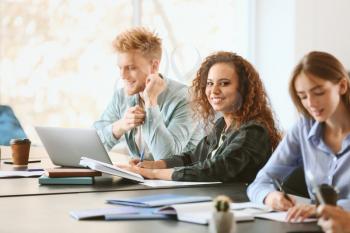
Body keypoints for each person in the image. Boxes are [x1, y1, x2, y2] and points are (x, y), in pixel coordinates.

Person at [122, 51, 281, 182]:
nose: (214, 91)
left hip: (236, 210)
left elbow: (213, 170)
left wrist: (152, 174)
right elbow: (192, 157)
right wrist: (154, 165)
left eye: (224, 83)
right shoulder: (222, 125)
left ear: (244, 89)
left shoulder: (254, 132)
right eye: (210, 83)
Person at [247, 51, 350, 222]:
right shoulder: (304, 128)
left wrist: (322, 209)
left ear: (342, 86)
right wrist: (270, 197)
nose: (311, 103)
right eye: (303, 96)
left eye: (318, 92)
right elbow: (261, 182)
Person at [94, 27, 203, 160]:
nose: (122, 75)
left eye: (131, 68)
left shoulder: (186, 98)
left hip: (179, 179)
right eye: (120, 68)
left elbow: (166, 158)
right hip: (139, 177)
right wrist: (121, 125)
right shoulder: (121, 96)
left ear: (154, 66)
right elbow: (92, 144)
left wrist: (151, 101)